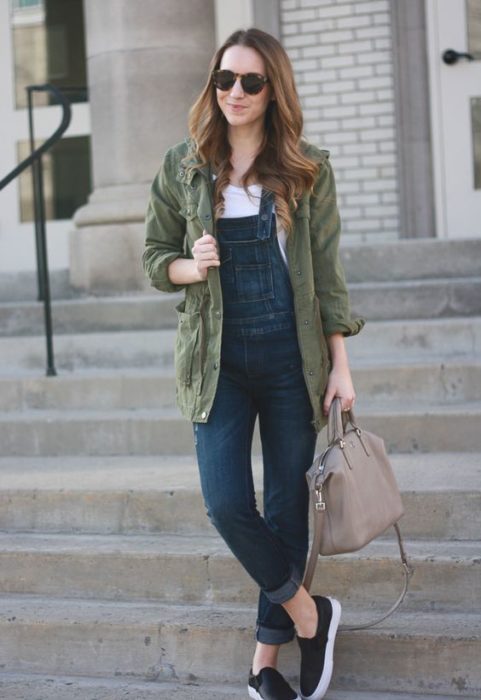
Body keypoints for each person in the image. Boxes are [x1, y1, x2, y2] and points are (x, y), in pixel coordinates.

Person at [143, 27, 364, 700]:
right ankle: (308, 613)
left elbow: (325, 278)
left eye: (250, 81)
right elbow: (154, 259)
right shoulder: (183, 165)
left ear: (273, 90)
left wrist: (340, 365)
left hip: (288, 359)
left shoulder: (306, 168)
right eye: (224, 79)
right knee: (226, 504)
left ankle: (263, 665)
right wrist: (190, 264)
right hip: (216, 362)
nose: (233, 92)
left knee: (285, 510)